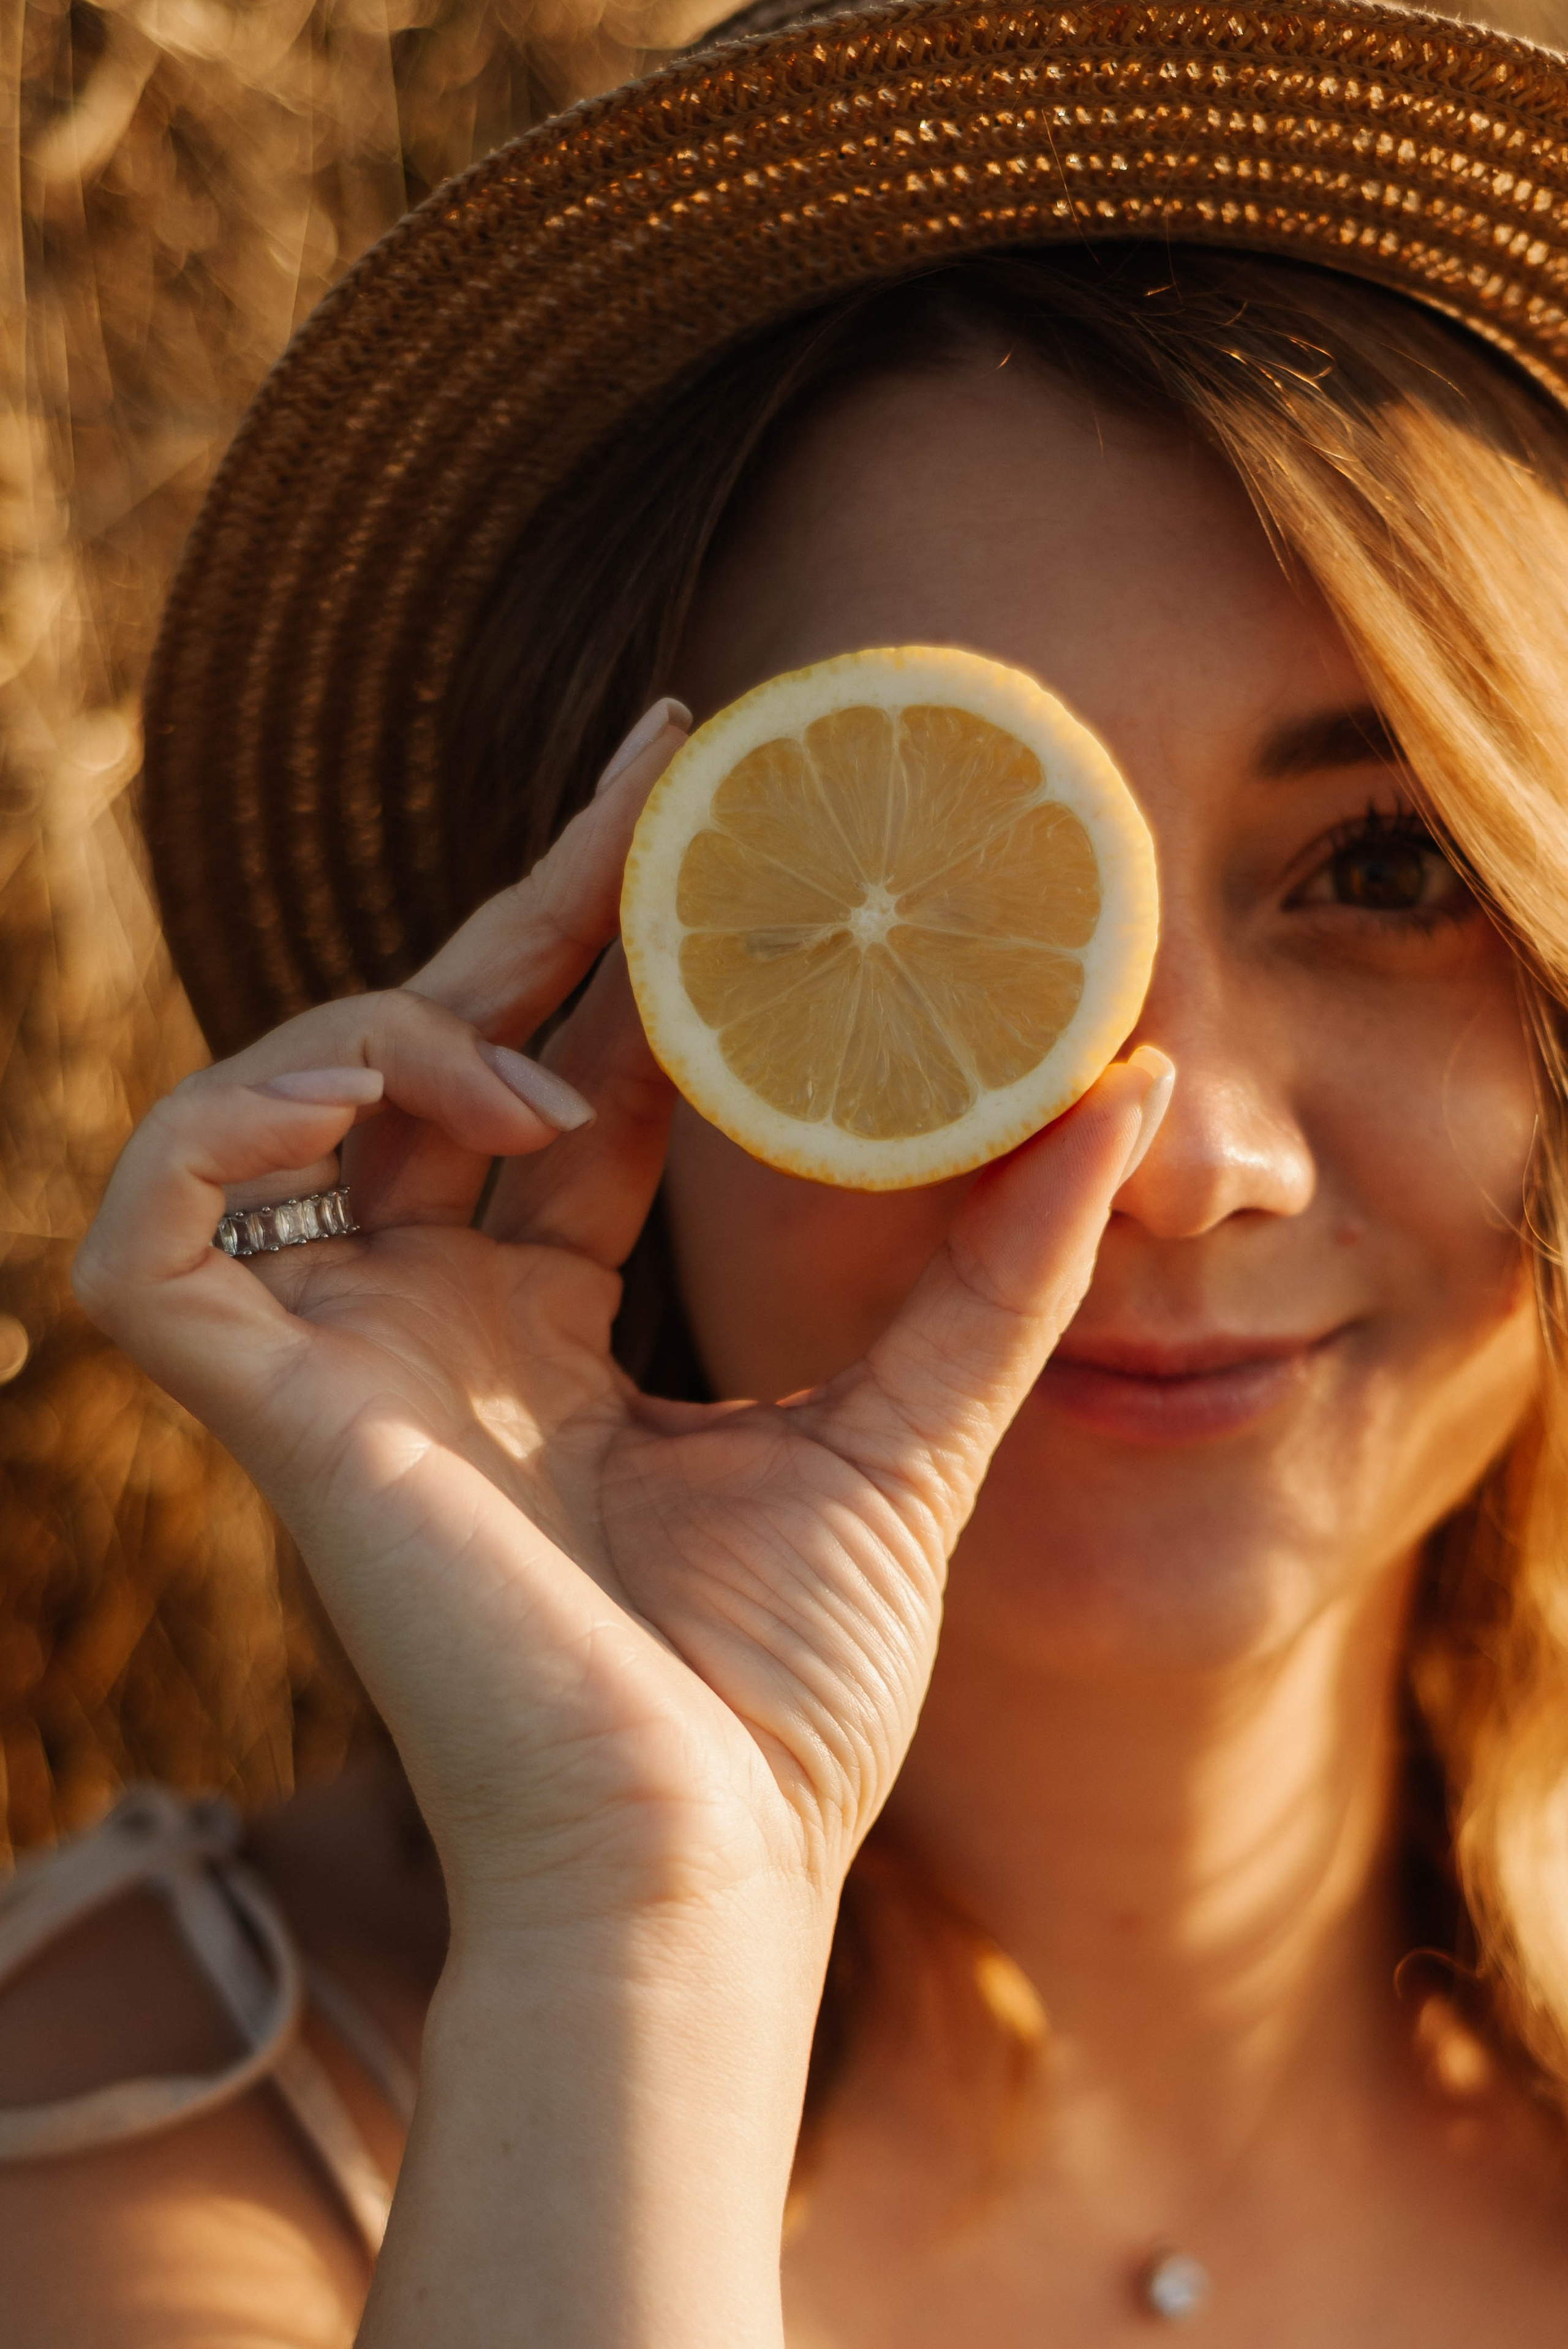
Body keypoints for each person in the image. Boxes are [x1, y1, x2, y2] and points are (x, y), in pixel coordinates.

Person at [6, 0, 1568, 2339]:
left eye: (1385, 862)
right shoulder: (152, 2116)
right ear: (597, 977)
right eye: (921, 922)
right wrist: (640, 1917)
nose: (1173, 1161)